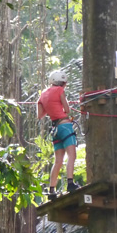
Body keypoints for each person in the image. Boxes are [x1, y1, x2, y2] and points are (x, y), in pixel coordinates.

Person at [37, 70, 79, 198]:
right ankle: (70, 183)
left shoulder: (43, 95)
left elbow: (40, 115)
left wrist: (52, 109)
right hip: (65, 126)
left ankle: (51, 190)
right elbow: (66, 109)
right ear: (63, 83)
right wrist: (64, 109)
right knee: (71, 155)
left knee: (58, 161)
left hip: (55, 129)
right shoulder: (60, 90)